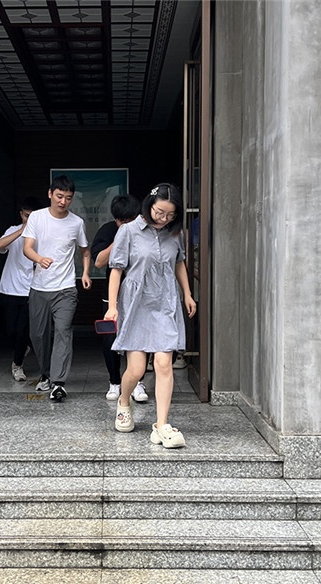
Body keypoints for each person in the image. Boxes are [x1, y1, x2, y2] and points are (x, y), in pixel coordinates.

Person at [104, 183, 197, 448]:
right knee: (135, 369)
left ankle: (161, 425)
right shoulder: (128, 231)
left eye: (170, 214)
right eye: (159, 212)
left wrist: (187, 294)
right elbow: (116, 270)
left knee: (164, 363)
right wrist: (112, 306)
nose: (164, 218)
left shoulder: (174, 233)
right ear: (149, 205)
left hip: (165, 301)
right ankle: (124, 401)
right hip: (136, 303)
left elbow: (179, 263)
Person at [23, 175, 92, 402]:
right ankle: (46, 374)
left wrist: (85, 273)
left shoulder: (76, 223)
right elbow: (27, 248)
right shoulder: (37, 217)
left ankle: (58, 383)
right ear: (50, 194)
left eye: (68, 198)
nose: (63, 201)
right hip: (39, 288)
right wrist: (39, 259)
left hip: (65, 288)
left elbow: (85, 250)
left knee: (63, 331)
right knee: (38, 334)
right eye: (59, 196)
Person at [91, 195, 148, 403]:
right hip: (112, 297)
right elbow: (98, 262)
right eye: (123, 222)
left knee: (141, 339)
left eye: (131, 220)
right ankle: (114, 381)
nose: (128, 225)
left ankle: (138, 382)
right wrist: (119, 240)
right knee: (110, 339)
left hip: (140, 295)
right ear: (116, 219)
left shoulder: (146, 231)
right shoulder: (108, 231)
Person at [0, 196, 42, 382]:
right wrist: (22, 230)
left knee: (22, 330)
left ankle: (17, 364)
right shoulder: (12, 230)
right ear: (21, 214)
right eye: (26, 216)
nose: (28, 219)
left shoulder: (43, 233)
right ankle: (24, 348)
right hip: (10, 288)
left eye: (32, 216)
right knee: (11, 330)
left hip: (32, 289)